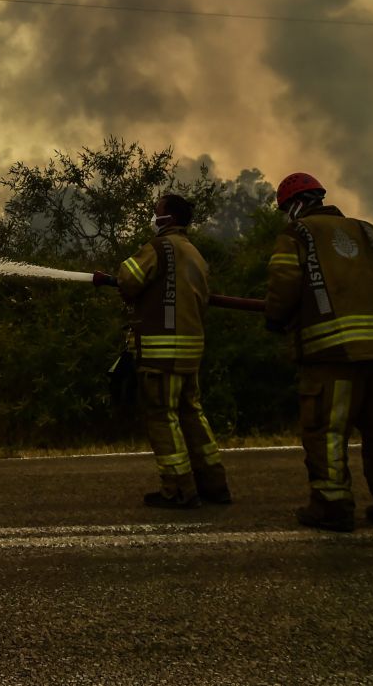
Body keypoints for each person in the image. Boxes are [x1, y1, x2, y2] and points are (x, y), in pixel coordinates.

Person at [264, 172, 373, 532]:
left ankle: (332, 505)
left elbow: (284, 281)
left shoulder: (297, 234)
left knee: (327, 430)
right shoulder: (369, 230)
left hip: (334, 352)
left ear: (292, 206)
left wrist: (276, 318)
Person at [115, 193, 230, 509]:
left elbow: (128, 279)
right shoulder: (194, 253)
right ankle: (214, 484)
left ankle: (179, 489)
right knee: (192, 413)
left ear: (167, 219)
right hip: (190, 351)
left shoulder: (159, 248)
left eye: (156, 212)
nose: (153, 218)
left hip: (160, 352)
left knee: (162, 417)